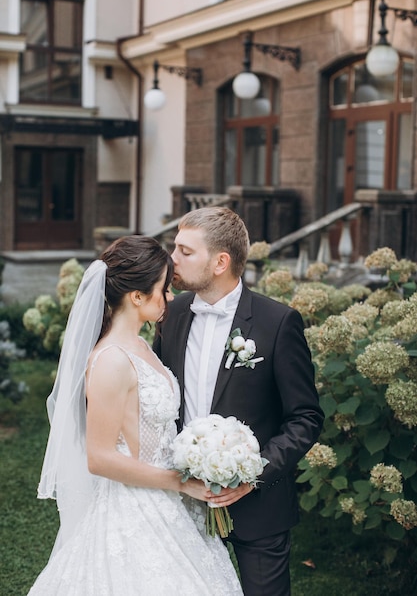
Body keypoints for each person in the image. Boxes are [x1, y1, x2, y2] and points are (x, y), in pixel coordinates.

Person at [28, 235, 243, 596]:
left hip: (170, 503)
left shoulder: (141, 345)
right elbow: (99, 458)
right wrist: (178, 481)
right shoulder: (112, 360)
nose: (170, 297)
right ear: (138, 296)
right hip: (134, 506)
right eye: (163, 288)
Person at [153, 207, 325, 596]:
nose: (172, 259)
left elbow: (306, 417)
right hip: (182, 498)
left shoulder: (277, 322)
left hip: (258, 509)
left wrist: (254, 472)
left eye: (184, 251)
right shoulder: (173, 312)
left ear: (221, 262)